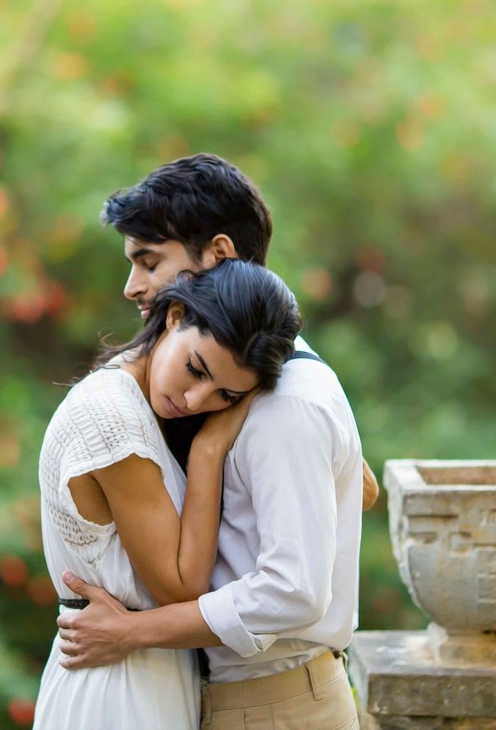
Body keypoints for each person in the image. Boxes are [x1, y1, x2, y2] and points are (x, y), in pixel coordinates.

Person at [56, 153, 367, 729]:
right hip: (230, 694)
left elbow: (295, 588)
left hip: (275, 701)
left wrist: (132, 633)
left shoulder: (282, 399)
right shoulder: (237, 382)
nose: (132, 286)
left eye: (150, 262)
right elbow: (358, 486)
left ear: (218, 256)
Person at [36, 259, 304, 730]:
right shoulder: (113, 419)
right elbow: (180, 588)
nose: (197, 400)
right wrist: (209, 449)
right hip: (115, 687)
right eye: (196, 369)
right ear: (176, 315)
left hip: (144, 671)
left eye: (228, 396)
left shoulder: (143, 407)